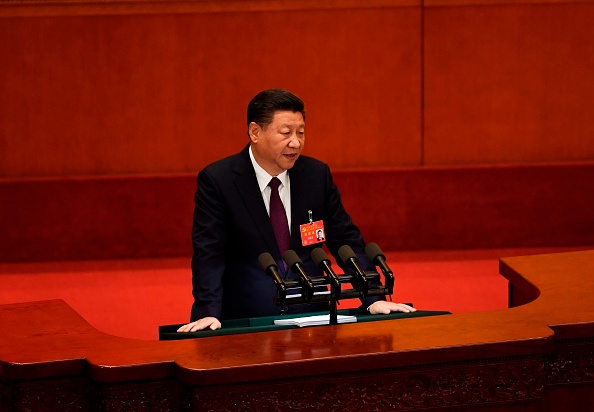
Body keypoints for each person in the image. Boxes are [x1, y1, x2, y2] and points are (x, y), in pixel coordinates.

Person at [178, 89, 415, 332]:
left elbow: (345, 239)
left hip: (314, 317)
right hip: (247, 320)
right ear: (255, 132)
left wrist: (373, 297)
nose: (296, 142)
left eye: (300, 132)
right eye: (286, 133)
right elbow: (210, 253)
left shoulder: (315, 176)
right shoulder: (220, 180)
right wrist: (207, 312)